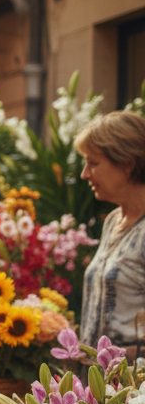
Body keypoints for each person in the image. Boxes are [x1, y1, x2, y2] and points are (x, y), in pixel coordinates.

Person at [77, 111, 145, 352]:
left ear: (127, 164)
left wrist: (113, 357)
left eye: (93, 163)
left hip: (134, 388)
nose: (85, 174)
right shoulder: (113, 221)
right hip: (96, 386)